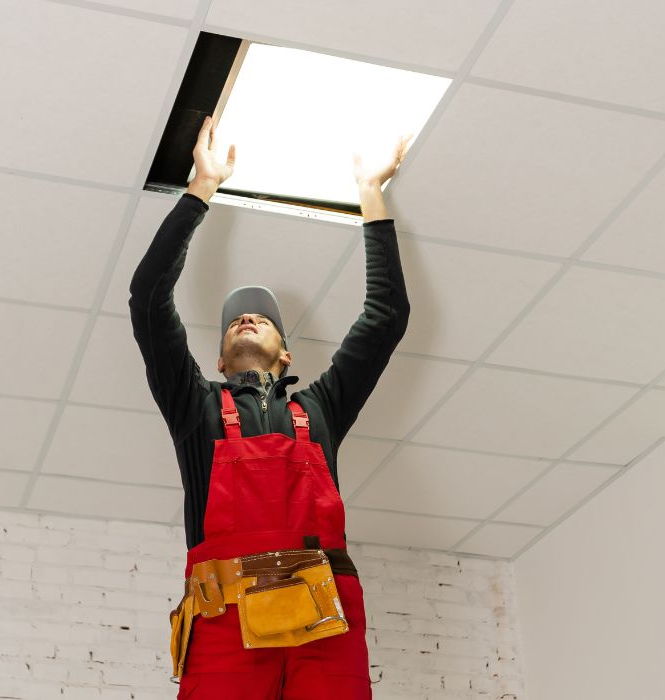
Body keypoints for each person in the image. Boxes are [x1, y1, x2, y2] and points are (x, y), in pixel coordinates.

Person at [128, 115, 410, 699]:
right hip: (224, 614)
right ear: (221, 359)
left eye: (262, 319)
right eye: (233, 320)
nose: (246, 319)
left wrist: (371, 195)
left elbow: (387, 315)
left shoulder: (321, 408)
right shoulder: (196, 407)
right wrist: (201, 189)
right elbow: (148, 297)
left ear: (285, 354)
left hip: (325, 613)